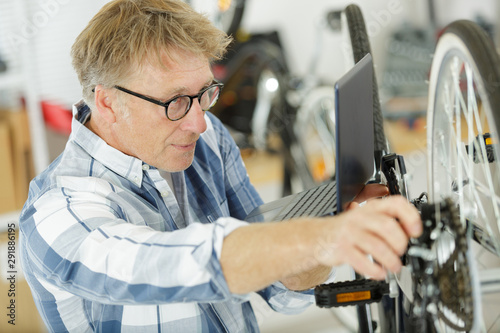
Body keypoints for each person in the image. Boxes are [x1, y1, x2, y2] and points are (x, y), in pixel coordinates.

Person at [19, 0, 422, 331]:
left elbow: (280, 287)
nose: (198, 121)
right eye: (174, 102)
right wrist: (320, 236)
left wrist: (330, 227)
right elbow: (174, 264)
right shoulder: (58, 214)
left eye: (205, 93)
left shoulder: (206, 135)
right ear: (107, 102)